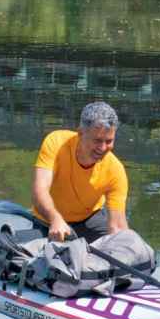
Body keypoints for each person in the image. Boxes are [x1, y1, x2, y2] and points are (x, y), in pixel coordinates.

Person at [31, 101, 128, 243]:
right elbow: (39, 191)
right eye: (97, 140)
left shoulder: (116, 170)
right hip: (48, 219)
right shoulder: (56, 142)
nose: (102, 148)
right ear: (81, 133)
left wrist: (128, 250)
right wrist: (55, 219)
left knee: (119, 244)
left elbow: (117, 226)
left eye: (109, 141)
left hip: (89, 221)